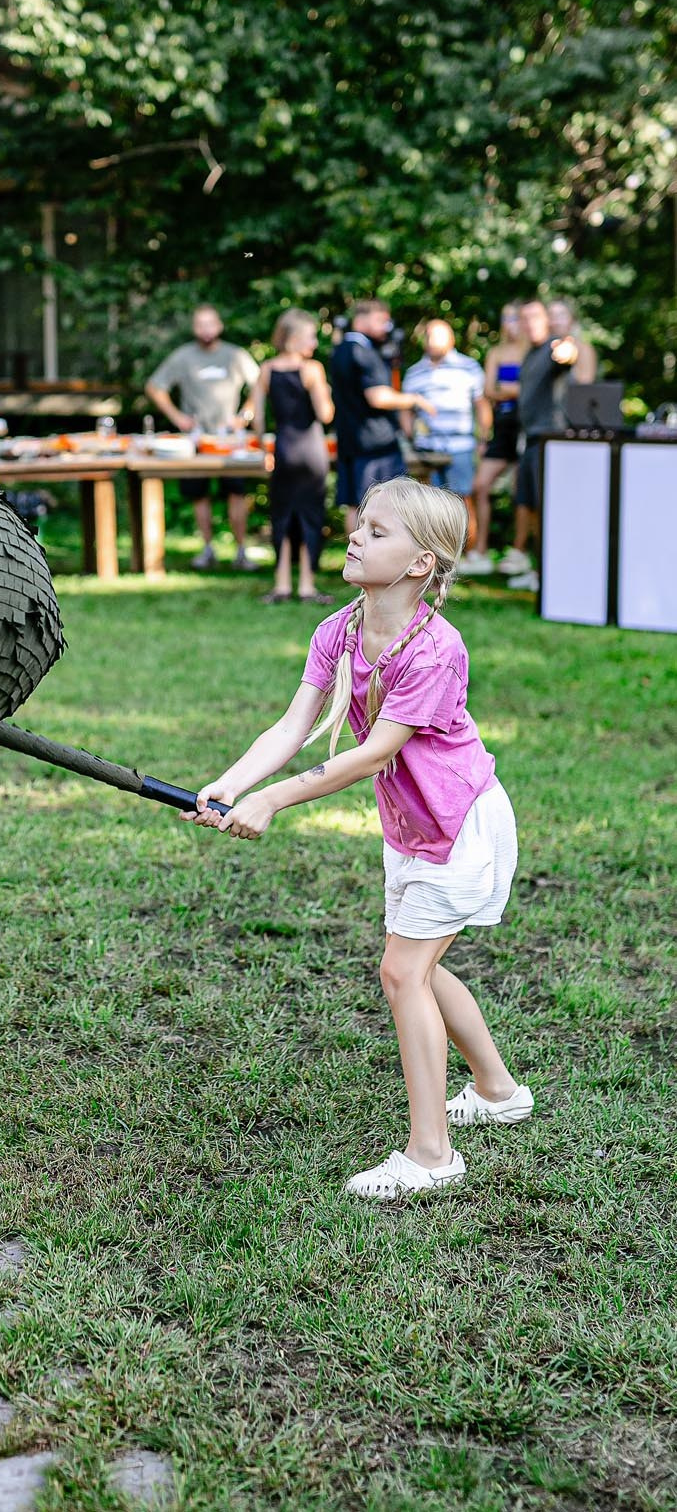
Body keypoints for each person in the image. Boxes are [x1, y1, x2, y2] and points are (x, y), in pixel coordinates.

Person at [182, 478, 531, 1199]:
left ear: (419, 565)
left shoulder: (434, 649)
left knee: (403, 972)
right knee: (422, 968)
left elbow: (372, 754)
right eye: (359, 524)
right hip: (410, 826)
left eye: (377, 531)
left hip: (458, 826)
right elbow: (291, 726)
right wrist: (230, 784)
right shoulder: (339, 629)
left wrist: (273, 799)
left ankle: (432, 1154)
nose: (353, 535)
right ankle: (497, 1092)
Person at [144, 304, 260, 570]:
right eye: (200, 324)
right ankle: (207, 549)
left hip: (229, 442)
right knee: (199, 496)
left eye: (210, 323)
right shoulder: (183, 357)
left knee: (236, 493)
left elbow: (260, 383)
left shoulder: (235, 355)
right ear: (194, 328)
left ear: (219, 326)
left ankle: (241, 552)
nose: (206, 329)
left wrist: (245, 415)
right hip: (194, 442)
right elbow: (154, 386)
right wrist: (177, 418)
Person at [502, 298, 594, 592]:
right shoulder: (530, 353)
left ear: (546, 320)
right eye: (523, 318)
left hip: (551, 441)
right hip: (530, 440)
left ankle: (554, 575)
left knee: (548, 509)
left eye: (534, 317)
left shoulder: (556, 346)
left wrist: (569, 350)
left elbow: (568, 354)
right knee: (530, 509)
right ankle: (540, 572)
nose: (528, 324)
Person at [328, 300, 436, 533]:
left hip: (349, 439)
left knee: (355, 506)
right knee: (384, 505)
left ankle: (356, 561)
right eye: (380, 320)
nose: (386, 326)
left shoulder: (339, 350)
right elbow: (377, 396)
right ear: (361, 319)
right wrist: (414, 400)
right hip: (375, 444)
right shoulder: (363, 351)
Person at [251, 309, 334, 604]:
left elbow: (258, 417)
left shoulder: (267, 369)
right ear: (295, 338)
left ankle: (282, 583)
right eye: (311, 337)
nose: (313, 343)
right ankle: (307, 586)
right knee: (310, 516)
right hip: (311, 450)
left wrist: (263, 449)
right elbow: (325, 414)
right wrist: (325, 391)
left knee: (282, 517)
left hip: (284, 450)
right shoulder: (313, 370)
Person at [401, 320, 491, 559]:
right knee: (428, 505)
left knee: (462, 501)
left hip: (459, 446)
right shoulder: (414, 372)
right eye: (429, 336)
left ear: (451, 339)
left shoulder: (468, 366)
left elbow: (481, 404)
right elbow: (406, 409)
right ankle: (435, 555)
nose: (433, 342)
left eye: (438, 336)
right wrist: (410, 436)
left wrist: (483, 438)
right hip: (427, 449)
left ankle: (469, 554)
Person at [466, 303, 526, 575]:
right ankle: (480, 551)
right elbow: (489, 390)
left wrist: (508, 390)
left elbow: (526, 392)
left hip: (525, 426)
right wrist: (514, 391)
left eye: (515, 317)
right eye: (507, 318)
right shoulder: (497, 352)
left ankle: (519, 552)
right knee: (480, 485)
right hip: (502, 428)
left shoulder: (532, 350)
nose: (511, 323)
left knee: (522, 493)